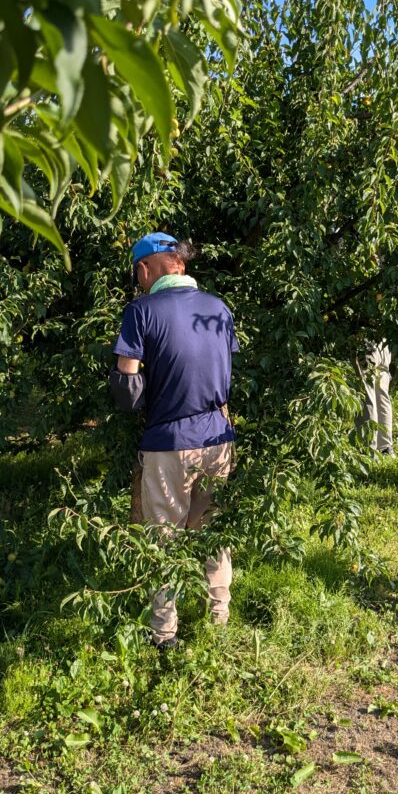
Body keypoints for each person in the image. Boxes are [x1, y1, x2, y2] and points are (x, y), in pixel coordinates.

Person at [109, 232, 239, 651]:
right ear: (179, 264)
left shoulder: (140, 311)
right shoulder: (219, 309)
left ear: (145, 269)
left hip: (168, 442)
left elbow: (127, 390)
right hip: (219, 436)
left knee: (162, 539)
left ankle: (164, 635)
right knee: (212, 530)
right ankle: (218, 616)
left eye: (137, 275)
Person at [355, 338, 394, 457]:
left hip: (366, 342)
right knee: (381, 396)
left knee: (367, 395)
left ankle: (369, 449)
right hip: (383, 342)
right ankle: (385, 447)